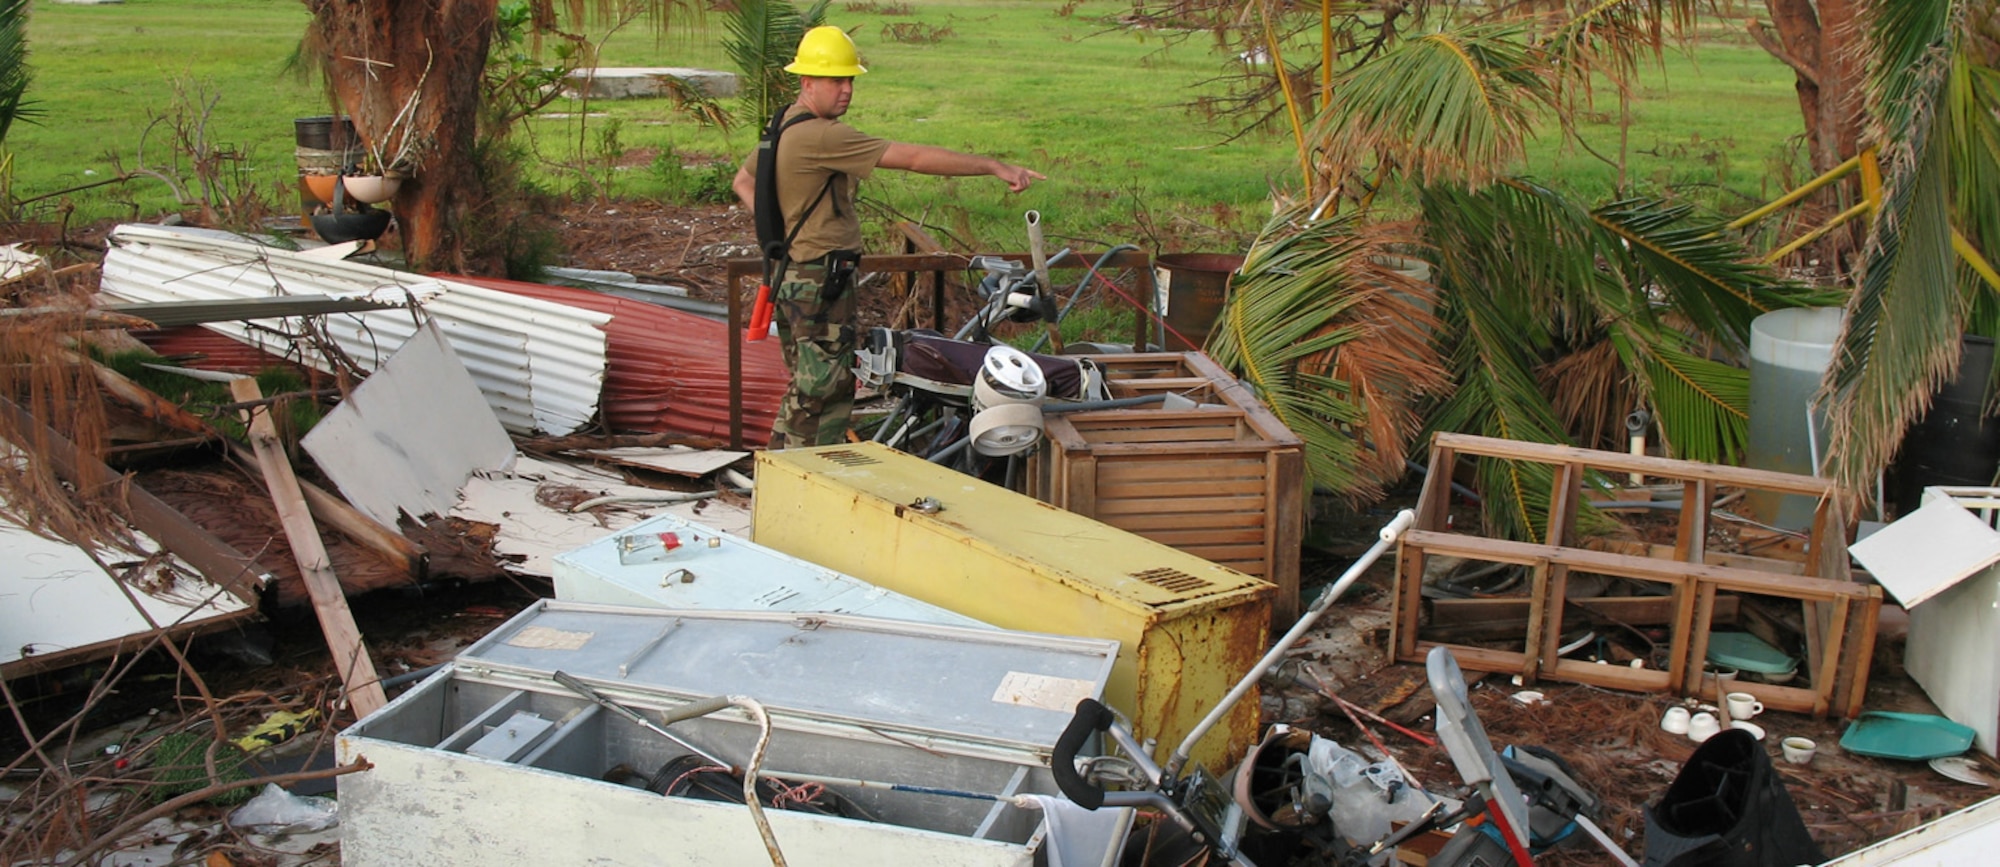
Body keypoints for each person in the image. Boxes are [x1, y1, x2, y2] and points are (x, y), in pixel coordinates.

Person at [733, 25, 1044, 449]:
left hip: (793, 274)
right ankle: (812, 477)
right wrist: (993, 166)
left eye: (850, 80)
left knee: (809, 383)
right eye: (835, 80)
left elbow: (743, 181)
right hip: (820, 280)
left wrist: (779, 234)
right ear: (807, 81)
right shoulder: (824, 135)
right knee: (827, 388)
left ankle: (785, 471)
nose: (846, 90)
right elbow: (913, 158)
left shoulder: (783, 124)